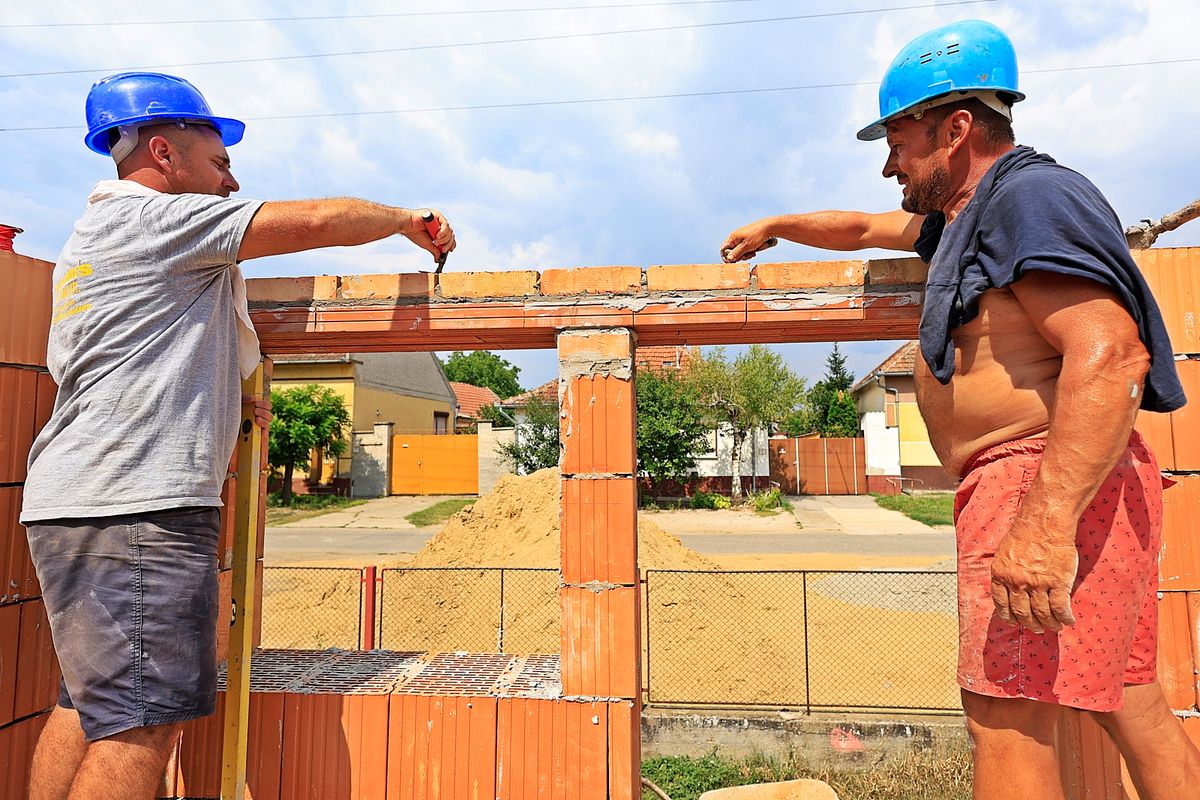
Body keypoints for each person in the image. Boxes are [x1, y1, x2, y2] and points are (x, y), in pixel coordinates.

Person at [722, 20, 1199, 800]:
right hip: (1075, 480)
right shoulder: (965, 220)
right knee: (1130, 701)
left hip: (1041, 479)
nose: (888, 164)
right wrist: (777, 226)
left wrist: (1043, 526)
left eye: (900, 143)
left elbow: (1111, 353)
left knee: (1002, 716)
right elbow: (867, 227)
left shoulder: (1035, 196)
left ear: (956, 129)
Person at [19, 71, 456, 800]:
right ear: (164, 151)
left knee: (89, 704)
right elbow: (316, 221)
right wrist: (409, 219)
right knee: (143, 725)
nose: (231, 180)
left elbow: (136, 355)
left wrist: (225, 396)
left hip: (74, 502)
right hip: (139, 510)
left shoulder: (93, 241)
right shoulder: (157, 221)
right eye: (219, 162)